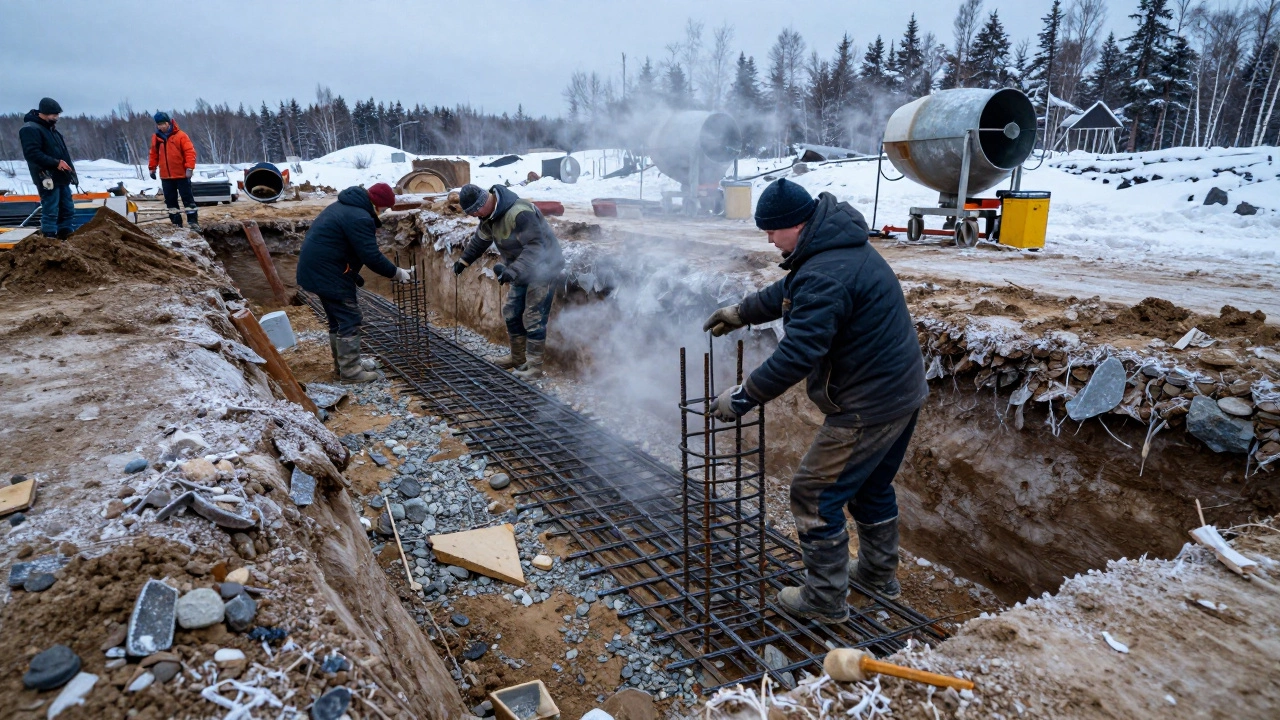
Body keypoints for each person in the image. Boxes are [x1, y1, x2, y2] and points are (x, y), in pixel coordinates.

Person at [702, 178, 928, 623]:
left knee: (812, 494)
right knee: (870, 487)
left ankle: (824, 599)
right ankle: (879, 576)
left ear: (796, 224)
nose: (768, 238)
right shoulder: (832, 251)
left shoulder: (827, 271)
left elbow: (798, 354)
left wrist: (744, 397)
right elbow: (791, 292)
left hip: (869, 404)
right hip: (900, 391)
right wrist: (743, 312)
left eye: (772, 230)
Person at [296, 183, 414, 383]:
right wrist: (397, 273)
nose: (384, 213)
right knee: (350, 317)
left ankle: (344, 366)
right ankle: (351, 372)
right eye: (384, 209)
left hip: (319, 269)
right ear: (377, 204)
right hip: (327, 272)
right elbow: (371, 256)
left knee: (337, 319)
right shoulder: (359, 217)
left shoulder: (344, 207)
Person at [452, 183, 564, 379]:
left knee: (533, 315)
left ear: (482, 203)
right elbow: (480, 240)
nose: (474, 216)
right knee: (511, 312)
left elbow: (535, 248)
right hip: (521, 269)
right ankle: (517, 358)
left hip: (544, 267)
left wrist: (513, 271)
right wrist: (464, 261)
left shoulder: (519, 213)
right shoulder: (488, 216)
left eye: (474, 212)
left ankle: (535, 366)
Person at [19, 97, 77, 240]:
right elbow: (32, 154)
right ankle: (49, 237)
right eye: (54, 114)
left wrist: (72, 173)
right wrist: (55, 163)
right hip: (46, 176)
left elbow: (64, 154)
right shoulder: (30, 129)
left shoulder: (52, 131)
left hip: (62, 177)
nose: (56, 117)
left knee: (67, 208)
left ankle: (66, 234)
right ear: (44, 113)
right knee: (51, 209)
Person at [147, 112, 201, 232]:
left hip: (182, 175)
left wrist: (189, 168)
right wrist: (152, 168)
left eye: (163, 124)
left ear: (169, 122)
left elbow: (190, 152)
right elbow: (153, 154)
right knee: (170, 201)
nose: (161, 127)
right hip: (166, 176)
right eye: (158, 124)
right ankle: (176, 224)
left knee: (187, 199)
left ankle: (193, 222)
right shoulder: (156, 138)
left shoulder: (181, 136)